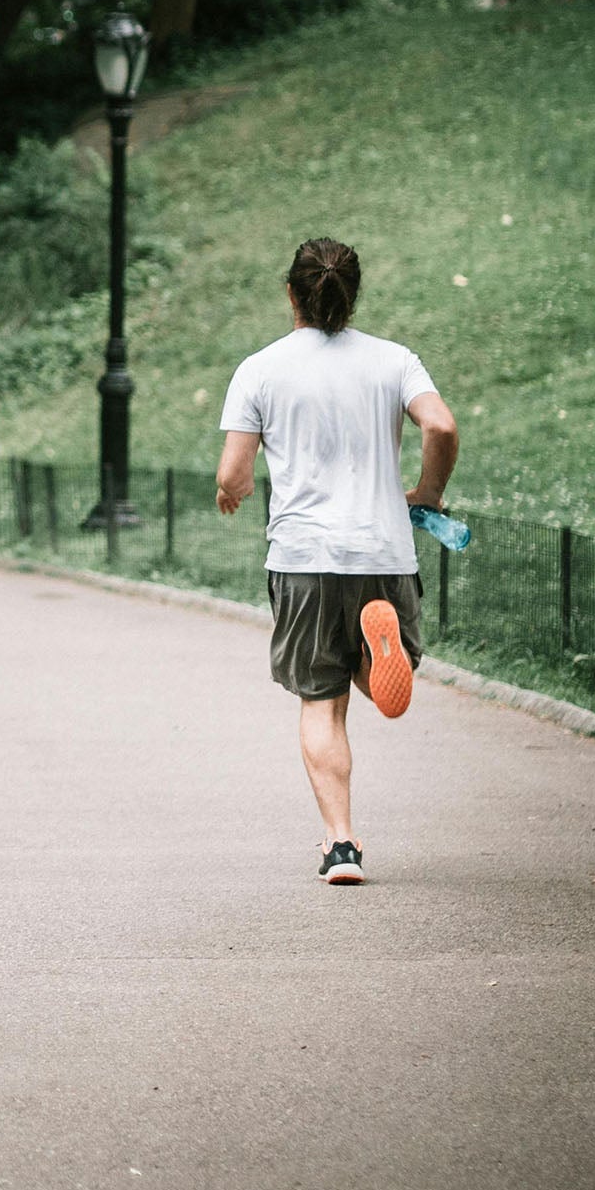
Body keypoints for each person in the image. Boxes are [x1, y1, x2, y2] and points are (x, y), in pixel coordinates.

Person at [215, 237, 459, 884]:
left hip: (305, 557)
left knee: (320, 699)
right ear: (353, 294)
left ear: (291, 293)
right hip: (383, 551)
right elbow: (441, 426)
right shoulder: (394, 360)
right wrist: (428, 491)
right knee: (371, 679)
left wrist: (231, 492)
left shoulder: (261, 369)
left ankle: (341, 845)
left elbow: (233, 473)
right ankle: (378, 652)